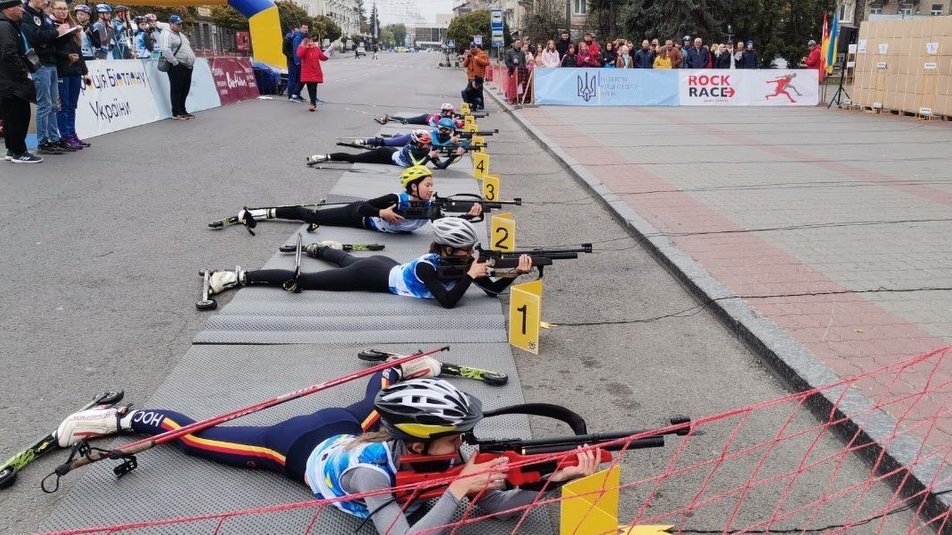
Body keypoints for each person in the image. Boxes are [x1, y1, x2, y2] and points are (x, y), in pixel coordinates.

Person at [54, 372, 601, 534]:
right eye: (455, 435)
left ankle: (396, 370)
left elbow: (490, 505)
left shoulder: (443, 454)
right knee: (201, 438)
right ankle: (122, 419)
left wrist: (550, 483)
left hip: (348, 424)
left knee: (369, 401)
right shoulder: (368, 474)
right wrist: (458, 490)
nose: (463, 445)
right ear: (416, 440)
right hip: (294, 444)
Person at [204, 218, 535, 310]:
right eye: (467, 250)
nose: (472, 254)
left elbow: (492, 290)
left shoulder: (461, 263)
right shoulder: (427, 267)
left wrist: (514, 274)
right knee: (306, 281)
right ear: (449, 248)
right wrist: (471, 275)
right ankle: (237, 276)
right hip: (372, 275)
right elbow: (448, 301)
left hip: (384, 264)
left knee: (347, 260)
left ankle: (321, 249)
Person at [238, 166, 482, 236]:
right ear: (413, 186)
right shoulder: (396, 199)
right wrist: (382, 213)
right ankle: (259, 213)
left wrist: (469, 216)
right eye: (428, 185)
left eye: (432, 185)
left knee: (315, 217)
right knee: (312, 215)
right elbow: (365, 207)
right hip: (358, 216)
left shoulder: (430, 208)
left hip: (371, 224)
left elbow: (447, 224)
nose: (431, 189)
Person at [23, 0, 72, 155]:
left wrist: (66, 33)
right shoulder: (26, 15)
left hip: (51, 62)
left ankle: (54, 138)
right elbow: (34, 37)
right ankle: (43, 141)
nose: (46, 2)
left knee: (53, 104)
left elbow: (50, 39)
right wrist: (56, 33)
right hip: (39, 63)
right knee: (44, 104)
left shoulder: (45, 16)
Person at [1, 0, 43, 163]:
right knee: (19, 116)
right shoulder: (5, 26)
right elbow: (9, 53)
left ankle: (12, 150)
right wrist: (23, 73)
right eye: (18, 6)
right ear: (8, 9)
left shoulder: (9, 25)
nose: (22, 10)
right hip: (12, 80)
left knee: (11, 116)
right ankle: (20, 152)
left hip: (8, 80)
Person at [306, 130, 463, 170]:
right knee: (354, 159)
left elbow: (440, 166)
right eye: (426, 144)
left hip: (393, 155)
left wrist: (454, 156)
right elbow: (415, 167)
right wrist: (429, 156)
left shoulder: (427, 150)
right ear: (417, 143)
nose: (429, 147)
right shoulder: (409, 148)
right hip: (385, 154)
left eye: (429, 144)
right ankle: (323, 157)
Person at [52, 0, 89, 150]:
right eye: (60, 9)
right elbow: (51, 51)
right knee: (64, 106)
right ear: (53, 10)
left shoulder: (72, 26)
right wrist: (66, 56)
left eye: (65, 9)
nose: (63, 11)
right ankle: (65, 136)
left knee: (72, 105)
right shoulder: (52, 27)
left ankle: (72, 134)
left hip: (75, 71)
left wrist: (85, 71)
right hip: (62, 70)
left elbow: (79, 52)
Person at [161, 15, 196, 120]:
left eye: (180, 23)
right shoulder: (166, 34)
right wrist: (175, 63)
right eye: (177, 24)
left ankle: (183, 110)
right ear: (171, 24)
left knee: (185, 89)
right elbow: (165, 50)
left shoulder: (180, 34)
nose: (180, 25)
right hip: (177, 65)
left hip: (187, 66)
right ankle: (176, 112)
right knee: (177, 89)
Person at [297, 32, 327, 112]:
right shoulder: (301, 47)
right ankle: (313, 103)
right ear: (305, 39)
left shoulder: (316, 48)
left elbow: (322, 57)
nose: (310, 40)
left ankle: (312, 103)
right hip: (307, 72)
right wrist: (306, 47)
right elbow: (299, 55)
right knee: (310, 88)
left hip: (315, 71)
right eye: (309, 38)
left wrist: (327, 54)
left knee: (313, 88)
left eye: (311, 38)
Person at [375, 103, 463, 128]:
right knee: (407, 121)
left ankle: (389, 118)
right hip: (425, 118)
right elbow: (439, 123)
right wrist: (453, 121)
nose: (452, 112)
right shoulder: (438, 116)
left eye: (450, 111)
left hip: (427, 122)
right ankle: (389, 118)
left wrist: (464, 122)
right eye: (450, 111)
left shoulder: (452, 116)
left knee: (407, 121)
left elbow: (460, 125)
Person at [462, 43, 488, 109]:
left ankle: (481, 105)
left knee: (479, 91)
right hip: (470, 76)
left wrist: (477, 58)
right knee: (470, 91)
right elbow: (464, 65)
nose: (472, 50)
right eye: (471, 49)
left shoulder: (481, 54)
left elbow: (486, 63)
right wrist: (468, 58)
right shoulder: (469, 54)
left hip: (478, 77)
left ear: (476, 48)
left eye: (473, 48)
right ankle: (474, 104)